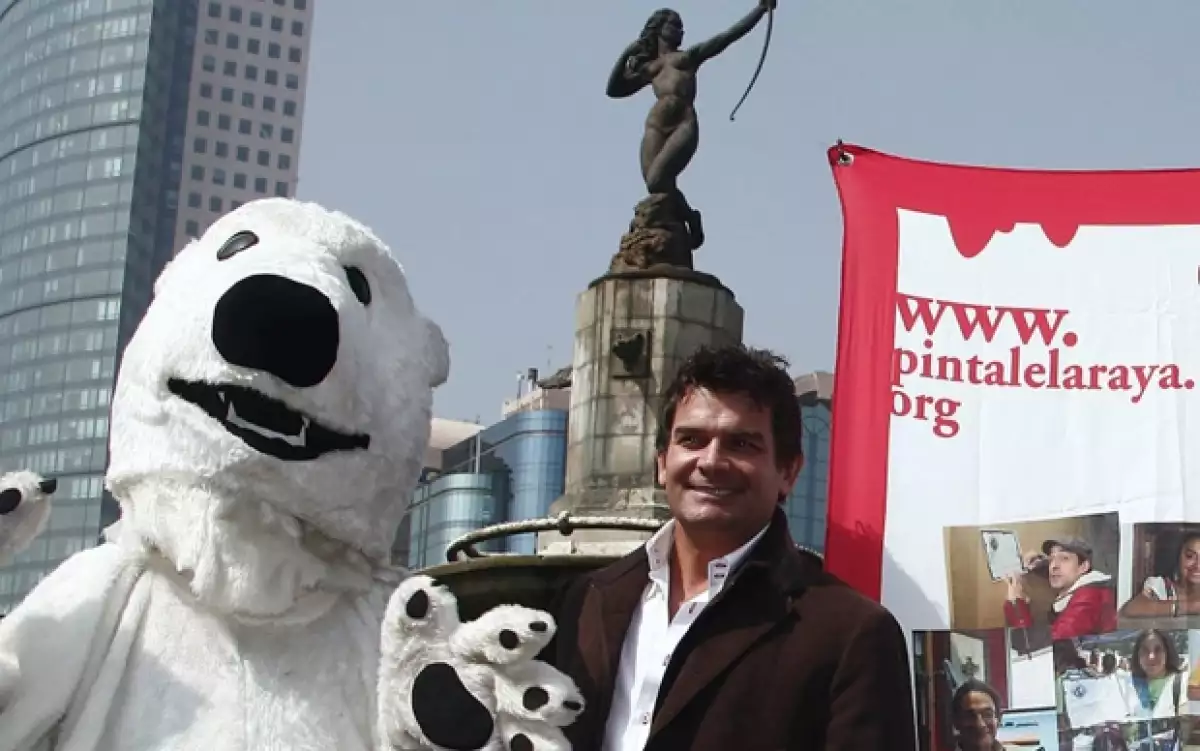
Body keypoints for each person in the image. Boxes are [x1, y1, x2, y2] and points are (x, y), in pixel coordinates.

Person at [551, 345, 916, 751]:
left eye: (741, 444)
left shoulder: (850, 633)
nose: (711, 462)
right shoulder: (589, 601)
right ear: (662, 462)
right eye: (692, 440)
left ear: (788, 472)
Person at [1003, 537, 1117, 639]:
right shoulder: (1091, 584)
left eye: (1064, 558)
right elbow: (1060, 571)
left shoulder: (1086, 601)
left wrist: (1016, 605)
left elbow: (1039, 647)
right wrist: (1039, 563)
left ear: (1083, 567)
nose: (1053, 566)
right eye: (1051, 559)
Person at [1120, 530, 1200, 619]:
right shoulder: (1160, 586)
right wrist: (1191, 606)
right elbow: (1132, 609)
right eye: (1190, 556)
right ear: (1178, 558)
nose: (1197, 565)